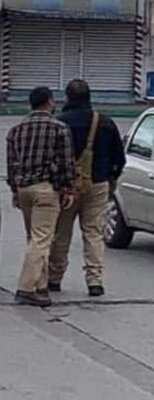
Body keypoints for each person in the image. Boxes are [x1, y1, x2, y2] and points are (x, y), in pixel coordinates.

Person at [48, 79, 126, 297]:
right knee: (93, 233)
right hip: (98, 183)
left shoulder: (59, 122)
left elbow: (51, 157)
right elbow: (119, 158)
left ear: (67, 97)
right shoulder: (105, 122)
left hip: (66, 187)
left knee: (61, 233)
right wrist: (111, 179)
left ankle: (54, 278)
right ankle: (94, 280)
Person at [6, 87, 76, 307]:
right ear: (49, 102)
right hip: (46, 188)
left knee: (34, 238)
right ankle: (26, 288)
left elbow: (11, 164)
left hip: (24, 188)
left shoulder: (16, 130)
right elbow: (66, 162)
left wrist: (15, 191)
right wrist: (68, 189)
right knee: (42, 238)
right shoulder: (59, 128)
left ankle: (41, 285)